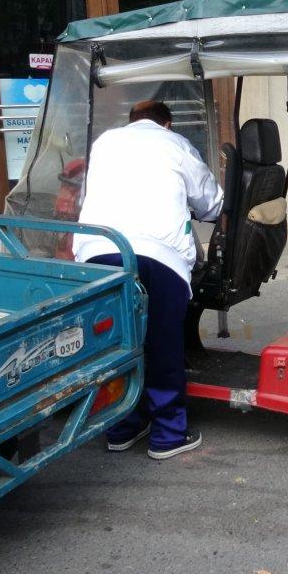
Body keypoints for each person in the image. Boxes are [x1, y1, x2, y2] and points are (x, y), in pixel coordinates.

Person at [73, 100, 224, 459]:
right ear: (167, 123)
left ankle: (121, 426)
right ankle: (168, 435)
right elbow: (211, 203)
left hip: (98, 252)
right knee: (162, 341)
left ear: (132, 122)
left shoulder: (104, 143)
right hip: (158, 255)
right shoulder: (175, 144)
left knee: (116, 341)